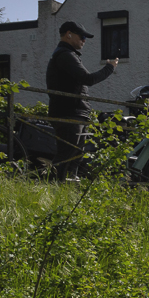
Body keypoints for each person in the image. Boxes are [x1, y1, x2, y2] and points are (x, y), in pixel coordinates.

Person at [45, 20, 117, 179]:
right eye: (82, 36)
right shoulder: (65, 56)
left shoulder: (66, 55)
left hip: (74, 113)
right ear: (69, 35)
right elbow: (87, 79)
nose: (84, 40)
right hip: (69, 113)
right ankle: (53, 187)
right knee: (67, 154)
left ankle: (67, 187)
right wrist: (109, 68)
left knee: (76, 154)